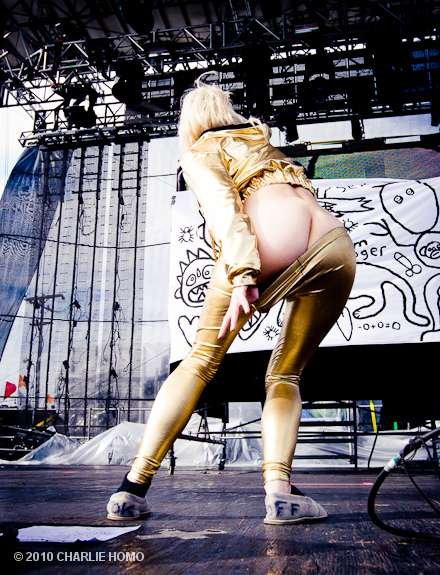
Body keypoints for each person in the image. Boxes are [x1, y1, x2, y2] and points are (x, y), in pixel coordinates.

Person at [106, 72, 356, 525]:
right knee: (286, 374)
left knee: (200, 361)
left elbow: (225, 208)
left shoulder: (201, 150)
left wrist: (243, 274)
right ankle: (280, 493)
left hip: (269, 241)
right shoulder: (265, 145)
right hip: (335, 243)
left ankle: (133, 487)